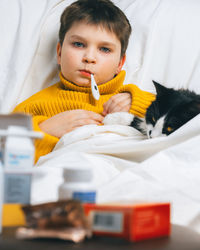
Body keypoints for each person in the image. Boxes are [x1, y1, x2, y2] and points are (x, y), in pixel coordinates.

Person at [13, 0, 155, 163]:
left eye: (104, 49)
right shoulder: (33, 108)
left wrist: (137, 103)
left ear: (120, 64)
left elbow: (183, 122)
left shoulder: (133, 98)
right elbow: (10, 157)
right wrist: (45, 129)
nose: (89, 57)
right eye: (79, 44)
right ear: (59, 53)